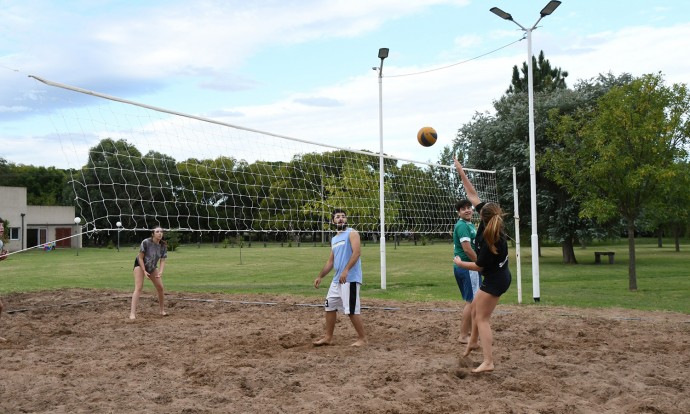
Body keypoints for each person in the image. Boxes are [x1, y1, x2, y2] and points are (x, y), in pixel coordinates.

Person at [453, 156, 512, 373]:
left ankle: (488, 362)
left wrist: (460, 262)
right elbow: (472, 193)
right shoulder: (490, 219)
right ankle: (473, 342)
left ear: (483, 216)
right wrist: (460, 170)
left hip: (497, 279)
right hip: (498, 275)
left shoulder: (491, 240)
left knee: (483, 318)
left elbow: (478, 266)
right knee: (476, 307)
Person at [313, 209, 367, 347]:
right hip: (337, 279)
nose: (341, 219)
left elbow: (357, 253)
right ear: (333, 221)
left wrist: (346, 270)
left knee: (351, 310)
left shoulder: (352, 233)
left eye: (343, 216)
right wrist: (320, 276)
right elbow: (330, 261)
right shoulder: (334, 239)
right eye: (337, 217)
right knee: (329, 306)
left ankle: (362, 339)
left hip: (350, 278)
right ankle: (328, 337)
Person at [453, 199, 480, 344]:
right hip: (468, 267)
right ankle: (464, 335)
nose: (467, 210)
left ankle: (470, 332)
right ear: (459, 212)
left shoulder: (468, 224)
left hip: (466, 267)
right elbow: (467, 249)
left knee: (472, 301)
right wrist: (480, 264)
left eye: (469, 207)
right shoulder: (462, 226)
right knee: (471, 301)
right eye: (463, 209)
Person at [130, 226, 168, 319]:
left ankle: (161, 310)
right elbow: (140, 258)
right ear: (153, 234)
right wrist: (144, 271)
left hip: (152, 266)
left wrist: (161, 272)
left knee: (160, 288)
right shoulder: (146, 242)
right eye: (157, 231)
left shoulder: (163, 245)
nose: (160, 233)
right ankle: (132, 313)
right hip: (140, 264)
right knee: (138, 287)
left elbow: (162, 260)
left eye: (161, 232)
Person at [0, 217, 7, 341]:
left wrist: (2, 256)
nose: (2, 228)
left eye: (2, 226)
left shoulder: (0, 243)